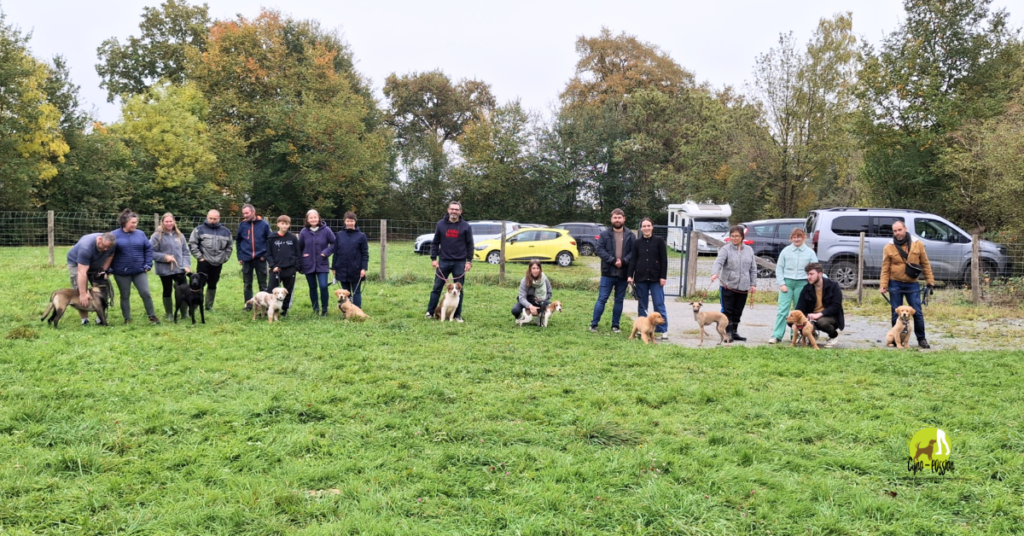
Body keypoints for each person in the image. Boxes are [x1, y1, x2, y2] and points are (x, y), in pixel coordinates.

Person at [880, 220, 935, 349]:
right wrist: (883, 284)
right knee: (896, 313)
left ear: (905, 229)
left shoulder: (918, 244)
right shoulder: (888, 247)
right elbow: (885, 267)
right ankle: (896, 340)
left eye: (899, 230)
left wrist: (930, 280)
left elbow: (925, 263)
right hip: (895, 283)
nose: (897, 233)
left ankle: (921, 339)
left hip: (912, 284)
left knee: (917, 312)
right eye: (895, 231)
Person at [425, 201, 474, 322]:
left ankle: (457, 315)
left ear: (460, 212)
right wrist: (433, 259)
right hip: (443, 261)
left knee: (458, 290)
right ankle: (430, 312)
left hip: (460, 262)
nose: (454, 211)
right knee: (437, 288)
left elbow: (470, 244)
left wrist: (469, 261)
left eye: (456, 209)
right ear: (448, 210)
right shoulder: (441, 224)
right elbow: (435, 242)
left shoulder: (466, 226)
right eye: (452, 209)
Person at [769, 228, 819, 344]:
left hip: (802, 283)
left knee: (798, 311)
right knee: (783, 310)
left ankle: (795, 335)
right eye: (794, 237)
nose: (797, 239)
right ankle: (777, 335)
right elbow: (779, 268)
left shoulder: (810, 252)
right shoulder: (786, 251)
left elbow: (815, 268)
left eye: (799, 237)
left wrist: (810, 282)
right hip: (787, 283)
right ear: (791, 238)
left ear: (804, 237)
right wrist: (782, 283)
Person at [590, 208, 635, 333]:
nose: (617, 220)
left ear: (624, 219)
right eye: (615, 217)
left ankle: (615, 325)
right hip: (608, 272)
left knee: (619, 300)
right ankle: (594, 324)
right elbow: (599, 249)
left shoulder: (631, 235)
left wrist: (624, 261)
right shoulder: (604, 234)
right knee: (602, 299)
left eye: (619, 217)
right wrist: (613, 260)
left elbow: (633, 252)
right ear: (611, 219)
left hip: (623, 273)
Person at [110, 209, 158, 324]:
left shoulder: (140, 234)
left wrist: (148, 263)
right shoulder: (114, 235)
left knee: (145, 293)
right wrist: (109, 268)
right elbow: (108, 253)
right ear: (124, 222)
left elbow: (148, 249)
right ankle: (127, 318)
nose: (135, 225)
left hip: (139, 270)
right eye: (133, 222)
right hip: (121, 272)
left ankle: (152, 316)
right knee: (125, 295)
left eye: (136, 222)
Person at [710, 225, 757, 341]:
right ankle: (728, 332)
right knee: (728, 310)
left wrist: (753, 284)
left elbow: (753, 268)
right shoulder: (725, 249)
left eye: (737, 236)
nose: (734, 238)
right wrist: (714, 273)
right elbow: (718, 262)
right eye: (732, 236)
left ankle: (735, 331)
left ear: (742, 237)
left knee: (738, 310)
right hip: (728, 286)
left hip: (743, 287)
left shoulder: (749, 250)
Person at [626, 217, 668, 340]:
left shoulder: (659, 241)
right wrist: (630, 275)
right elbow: (633, 260)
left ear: (652, 227)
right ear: (641, 228)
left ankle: (663, 330)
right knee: (642, 305)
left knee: (659, 304)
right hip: (641, 278)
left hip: (656, 278)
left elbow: (663, 260)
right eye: (644, 226)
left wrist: (663, 277)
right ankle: (642, 329)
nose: (646, 228)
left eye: (648, 225)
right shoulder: (637, 243)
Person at [66, 232, 116, 325]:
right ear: (100, 239)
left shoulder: (111, 244)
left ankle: (100, 319)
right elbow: (82, 272)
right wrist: (83, 293)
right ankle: (85, 320)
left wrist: (103, 271)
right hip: (77, 264)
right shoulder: (86, 247)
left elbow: (110, 256)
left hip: (96, 263)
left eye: (108, 248)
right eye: (104, 246)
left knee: (102, 289)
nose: (105, 249)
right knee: (80, 291)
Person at [188, 209, 233, 311]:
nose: (212, 220)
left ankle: (209, 306)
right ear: (207, 217)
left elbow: (229, 247)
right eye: (210, 218)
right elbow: (192, 243)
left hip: (218, 263)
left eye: (215, 219)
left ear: (219, 218)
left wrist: (224, 259)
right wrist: (200, 257)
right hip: (204, 261)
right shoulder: (199, 229)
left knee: (213, 284)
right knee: (198, 284)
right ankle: (194, 305)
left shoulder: (226, 232)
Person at [150, 212, 191, 322]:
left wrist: (186, 265)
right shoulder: (156, 236)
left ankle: (184, 312)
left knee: (183, 290)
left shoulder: (179, 235)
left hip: (180, 268)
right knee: (167, 290)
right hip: (164, 270)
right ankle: (169, 313)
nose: (169, 223)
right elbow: (150, 252)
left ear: (174, 222)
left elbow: (186, 252)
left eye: (171, 221)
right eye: (166, 221)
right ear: (162, 222)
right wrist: (164, 257)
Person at [795, 262, 845, 348]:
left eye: (811, 274)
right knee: (792, 319)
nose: (809, 277)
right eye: (807, 274)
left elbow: (836, 306)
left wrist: (819, 314)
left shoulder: (834, 286)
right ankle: (812, 335)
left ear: (820, 274)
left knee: (822, 322)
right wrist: (795, 322)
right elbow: (800, 308)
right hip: (811, 317)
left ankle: (833, 336)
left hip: (830, 316)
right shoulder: (806, 288)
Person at [298, 209, 336, 316]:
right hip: (308, 264)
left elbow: (334, 244)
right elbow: (299, 248)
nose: (313, 219)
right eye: (311, 217)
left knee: (323, 286)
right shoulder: (304, 232)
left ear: (319, 218)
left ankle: (324, 309)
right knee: (312, 287)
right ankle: (315, 309)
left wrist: (326, 252)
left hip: (322, 263)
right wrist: (302, 259)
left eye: (315, 217)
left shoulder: (326, 230)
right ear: (307, 220)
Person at [236, 203, 271, 311]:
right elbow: (238, 241)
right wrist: (240, 256)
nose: (245, 215)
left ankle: (264, 305)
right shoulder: (242, 225)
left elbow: (269, 241)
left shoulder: (264, 225)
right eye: (243, 213)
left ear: (253, 212)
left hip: (260, 259)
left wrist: (265, 256)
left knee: (263, 284)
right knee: (247, 284)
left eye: (247, 213)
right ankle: (248, 305)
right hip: (246, 259)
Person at [331, 211, 369, 308]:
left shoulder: (361, 236)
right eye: (348, 221)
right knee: (345, 292)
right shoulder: (339, 235)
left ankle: (357, 311)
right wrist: (334, 267)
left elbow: (365, 253)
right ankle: (347, 311)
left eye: (351, 221)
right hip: (342, 267)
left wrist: (363, 268)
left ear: (355, 221)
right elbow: (336, 251)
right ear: (345, 222)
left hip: (356, 269)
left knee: (356, 292)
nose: (349, 223)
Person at [266, 215, 301, 318]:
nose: (284, 226)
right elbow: (268, 254)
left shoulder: (293, 238)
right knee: (271, 289)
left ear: (289, 225)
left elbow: (298, 253)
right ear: (278, 224)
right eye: (282, 223)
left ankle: (284, 310)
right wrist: (273, 266)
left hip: (290, 269)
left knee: (287, 291)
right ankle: (269, 309)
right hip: (276, 269)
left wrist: (295, 267)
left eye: (286, 224)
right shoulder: (272, 238)